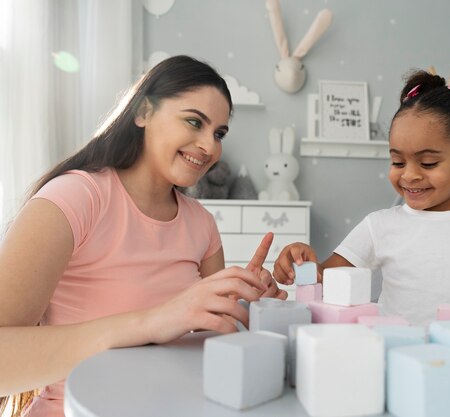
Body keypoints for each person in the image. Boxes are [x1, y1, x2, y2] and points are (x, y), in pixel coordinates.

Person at [0, 55, 286, 417]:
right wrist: (154, 320)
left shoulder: (202, 224)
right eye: (194, 122)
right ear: (143, 113)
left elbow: (213, 337)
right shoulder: (75, 198)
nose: (210, 146)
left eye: (219, 133)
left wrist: (247, 304)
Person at [273, 57, 450, 335]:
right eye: (398, 163)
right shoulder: (379, 226)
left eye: (428, 163)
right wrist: (300, 262)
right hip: (396, 361)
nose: (409, 175)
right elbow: (324, 279)